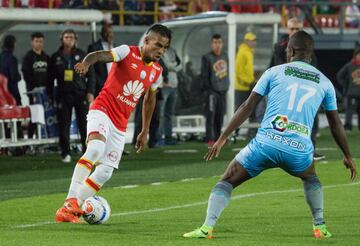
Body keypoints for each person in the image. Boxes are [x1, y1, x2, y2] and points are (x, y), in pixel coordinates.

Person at [183, 31, 357, 239]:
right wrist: (347, 155)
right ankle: (320, 226)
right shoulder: (325, 82)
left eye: (286, 50)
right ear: (310, 53)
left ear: (291, 50)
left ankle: (206, 228)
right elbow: (336, 123)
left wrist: (222, 138)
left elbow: (248, 106)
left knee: (227, 180)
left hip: (266, 144)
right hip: (299, 151)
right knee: (311, 177)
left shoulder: (274, 72)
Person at [55, 24, 171, 223]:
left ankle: (71, 210)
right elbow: (99, 55)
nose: (161, 51)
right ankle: (70, 200)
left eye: (165, 47)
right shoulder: (127, 52)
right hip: (102, 110)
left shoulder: (157, 71)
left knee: (106, 171)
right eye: (158, 45)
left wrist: (144, 131)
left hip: (120, 124)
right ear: (146, 41)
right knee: (95, 149)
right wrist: (86, 63)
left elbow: (149, 100)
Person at [270, 17, 324, 161]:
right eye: (292, 29)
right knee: (283, 120)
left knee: (312, 118)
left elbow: (315, 68)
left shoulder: (308, 47)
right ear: (287, 29)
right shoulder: (279, 47)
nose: (294, 31)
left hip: (305, 88)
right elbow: (276, 68)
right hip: (286, 89)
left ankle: (310, 150)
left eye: (297, 29)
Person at [48, 29, 95, 163]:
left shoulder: (82, 55)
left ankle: (87, 152)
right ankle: (65, 153)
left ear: (76, 39)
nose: (69, 39)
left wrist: (90, 92)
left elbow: (91, 76)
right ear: (62, 39)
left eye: (71, 37)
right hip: (63, 95)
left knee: (84, 125)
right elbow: (50, 78)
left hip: (81, 94)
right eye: (66, 37)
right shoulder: (56, 56)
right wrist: (51, 95)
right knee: (64, 125)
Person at [201, 34, 229, 146]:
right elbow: (204, 75)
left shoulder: (225, 55)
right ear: (212, 44)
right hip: (212, 92)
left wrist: (227, 86)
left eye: (219, 43)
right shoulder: (207, 57)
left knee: (220, 115)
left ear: (222, 44)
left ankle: (219, 138)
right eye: (215, 43)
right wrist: (208, 91)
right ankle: (210, 138)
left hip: (223, 90)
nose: (217, 45)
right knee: (210, 116)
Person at [22, 32, 50, 139]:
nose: (39, 43)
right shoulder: (28, 58)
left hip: (46, 93)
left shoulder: (47, 57)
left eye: (41, 41)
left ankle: (47, 138)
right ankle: (30, 140)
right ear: (32, 42)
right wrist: (34, 91)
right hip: (34, 93)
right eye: (37, 41)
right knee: (35, 116)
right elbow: (26, 76)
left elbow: (51, 75)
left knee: (47, 116)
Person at [158, 47, 181, 145]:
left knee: (169, 114)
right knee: (160, 114)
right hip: (164, 86)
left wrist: (171, 66)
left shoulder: (173, 51)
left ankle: (168, 138)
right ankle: (158, 138)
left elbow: (180, 66)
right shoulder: (159, 51)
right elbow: (164, 66)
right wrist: (172, 66)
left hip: (174, 86)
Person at [87, 23, 114, 98]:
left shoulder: (115, 46)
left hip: (113, 86)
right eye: (106, 32)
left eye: (110, 32)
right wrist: (100, 83)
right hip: (99, 86)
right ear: (101, 34)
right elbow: (91, 68)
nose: (108, 34)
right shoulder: (94, 47)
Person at [336, 47, 360, 131]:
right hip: (352, 93)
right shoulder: (350, 65)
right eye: (358, 54)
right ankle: (348, 127)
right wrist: (346, 85)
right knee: (349, 111)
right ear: (355, 55)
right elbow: (339, 75)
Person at [0, 35, 21, 106]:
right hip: (11, 93)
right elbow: (14, 77)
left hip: (1, 95)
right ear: (13, 44)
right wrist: (19, 76)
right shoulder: (12, 59)